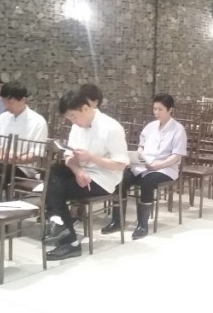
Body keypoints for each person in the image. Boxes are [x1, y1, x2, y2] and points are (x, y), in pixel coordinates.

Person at [44, 91, 129, 260]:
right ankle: (59, 225)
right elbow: (69, 156)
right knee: (53, 171)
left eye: (73, 116)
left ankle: (68, 240)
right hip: (82, 172)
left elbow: (121, 164)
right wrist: (78, 170)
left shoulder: (111, 127)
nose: (73, 122)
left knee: (56, 190)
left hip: (102, 178)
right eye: (69, 118)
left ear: (85, 108)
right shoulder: (77, 126)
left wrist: (91, 158)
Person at [101, 93, 187, 239]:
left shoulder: (178, 129)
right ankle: (117, 220)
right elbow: (141, 146)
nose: (156, 112)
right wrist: (139, 156)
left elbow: (177, 156)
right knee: (120, 179)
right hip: (144, 165)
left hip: (165, 168)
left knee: (147, 183)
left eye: (160, 109)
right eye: (155, 109)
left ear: (170, 110)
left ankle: (142, 225)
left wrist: (159, 165)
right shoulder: (150, 127)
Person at [0, 82, 48, 240]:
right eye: (4, 101)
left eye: (10, 102)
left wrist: (15, 158)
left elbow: (36, 154)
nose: (6, 106)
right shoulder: (3, 117)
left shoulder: (38, 122)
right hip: (0, 161)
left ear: (23, 100)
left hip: (23, 166)